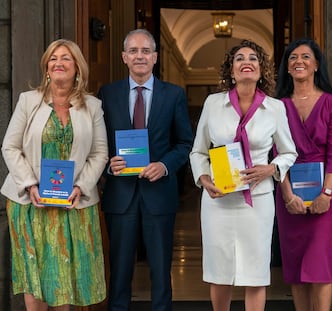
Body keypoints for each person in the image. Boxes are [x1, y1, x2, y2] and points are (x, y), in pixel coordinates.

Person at [189, 39, 297, 311]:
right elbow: (198, 152)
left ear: (261, 70)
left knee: (255, 273)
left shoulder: (275, 107)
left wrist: (271, 168)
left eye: (253, 58)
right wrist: (204, 180)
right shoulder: (213, 103)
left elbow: (289, 153)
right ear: (231, 70)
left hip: (257, 202)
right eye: (239, 58)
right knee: (219, 272)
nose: (246, 61)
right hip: (218, 201)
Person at [1, 39, 108, 310]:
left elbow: (99, 153)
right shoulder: (28, 101)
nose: (58, 63)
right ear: (46, 67)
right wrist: (30, 184)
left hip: (74, 203)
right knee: (35, 275)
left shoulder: (92, 106)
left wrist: (81, 186)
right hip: (30, 202)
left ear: (78, 68)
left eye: (66, 58)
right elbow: (10, 146)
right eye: (53, 58)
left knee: (65, 275)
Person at [97, 28, 193, 311]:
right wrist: (109, 165)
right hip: (120, 195)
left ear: (155, 57)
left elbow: (185, 142)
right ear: (124, 57)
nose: (140, 56)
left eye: (146, 51)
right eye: (134, 51)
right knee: (120, 272)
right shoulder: (108, 93)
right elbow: (97, 144)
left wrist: (164, 166)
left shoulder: (173, 94)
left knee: (161, 272)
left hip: (159, 195)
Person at [274, 38, 332, 311]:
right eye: (292, 58)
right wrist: (287, 193)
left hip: (326, 195)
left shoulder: (331, 103)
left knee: (319, 264)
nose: (299, 61)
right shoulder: (276, 105)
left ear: (316, 65)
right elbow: (274, 153)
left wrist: (326, 193)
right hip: (288, 192)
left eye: (305, 56)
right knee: (295, 267)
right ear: (287, 68)